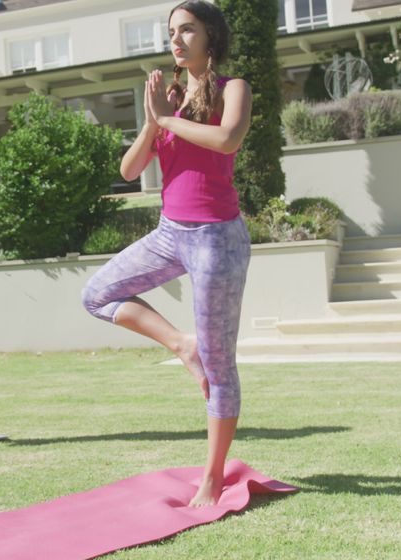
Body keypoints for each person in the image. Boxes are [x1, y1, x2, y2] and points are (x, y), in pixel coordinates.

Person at [81, 0, 253, 506]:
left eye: (187, 30)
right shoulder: (172, 98)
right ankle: (183, 345)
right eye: (171, 31)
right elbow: (131, 169)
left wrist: (167, 119)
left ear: (210, 37)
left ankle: (212, 478)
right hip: (169, 231)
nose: (175, 40)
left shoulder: (233, 88)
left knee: (221, 367)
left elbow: (227, 139)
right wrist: (154, 120)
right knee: (96, 294)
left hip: (217, 238)